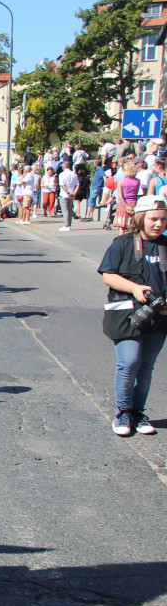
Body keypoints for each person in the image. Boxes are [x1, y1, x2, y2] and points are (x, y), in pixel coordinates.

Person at [98, 194, 167, 436]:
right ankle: (123, 411)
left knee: (146, 367)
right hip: (127, 315)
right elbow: (108, 275)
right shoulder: (123, 243)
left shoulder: (166, 245)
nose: (159, 224)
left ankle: (138, 413)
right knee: (129, 362)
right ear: (140, 218)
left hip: (159, 317)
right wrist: (135, 288)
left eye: (163, 219)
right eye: (154, 219)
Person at [114, 161, 141, 235]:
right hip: (133, 203)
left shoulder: (121, 181)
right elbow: (136, 193)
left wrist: (126, 205)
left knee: (122, 227)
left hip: (123, 204)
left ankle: (121, 242)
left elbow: (121, 196)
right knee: (131, 226)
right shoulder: (137, 181)